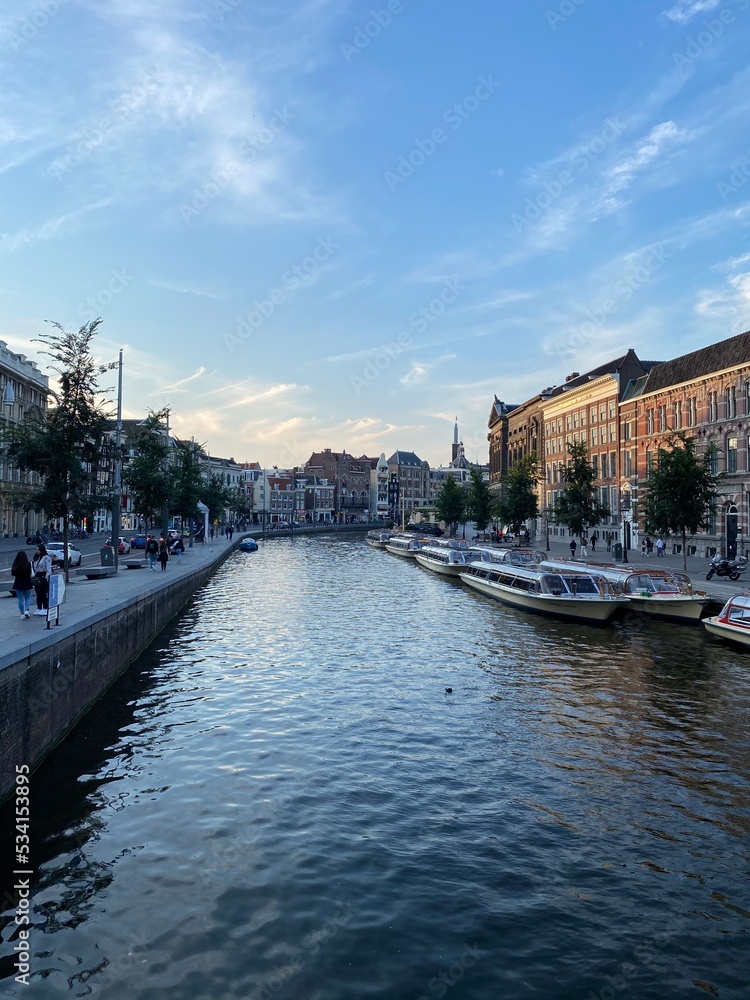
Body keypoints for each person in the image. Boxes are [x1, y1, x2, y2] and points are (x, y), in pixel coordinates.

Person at [31, 544, 52, 616]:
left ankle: (45, 608)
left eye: (38, 549)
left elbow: (49, 569)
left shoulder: (46, 558)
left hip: (43, 575)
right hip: (37, 575)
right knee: (38, 593)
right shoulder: (36, 557)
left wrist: (46, 577)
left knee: (43, 593)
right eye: (36, 549)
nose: (37, 551)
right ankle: (39, 607)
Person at [12, 550, 33, 619]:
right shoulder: (28, 564)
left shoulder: (15, 565)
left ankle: (22, 613)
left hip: (18, 583)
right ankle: (27, 610)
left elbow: (13, 574)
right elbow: (30, 573)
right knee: (27, 598)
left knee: (20, 599)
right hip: (27, 582)